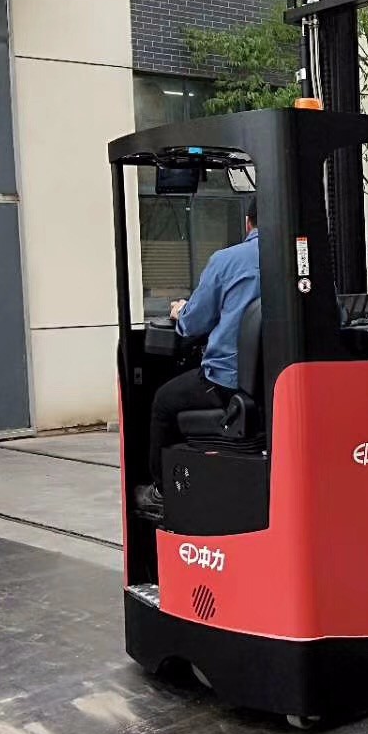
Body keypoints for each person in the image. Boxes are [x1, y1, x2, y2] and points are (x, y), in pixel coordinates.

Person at [135, 197, 260, 516]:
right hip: (283, 385)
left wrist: (181, 311)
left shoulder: (228, 260)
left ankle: (161, 491)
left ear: (248, 223)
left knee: (163, 401)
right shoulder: (307, 262)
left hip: (230, 386)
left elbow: (193, 323)